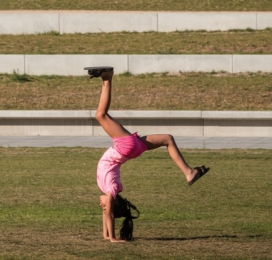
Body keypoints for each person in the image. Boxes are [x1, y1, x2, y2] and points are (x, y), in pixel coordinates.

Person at [87, 66, 209, 242]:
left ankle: (190, 173)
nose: (101, 206)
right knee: (101, 115)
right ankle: (107, 79)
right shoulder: (112, 189)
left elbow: (107, 214)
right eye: (104, 207)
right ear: (112, 204)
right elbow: (109, 215)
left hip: (130, 149)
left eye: (103, 207)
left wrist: (107, 236)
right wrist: (113, 238)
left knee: (168, 139)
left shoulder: (109, 190)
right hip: (127, 147)